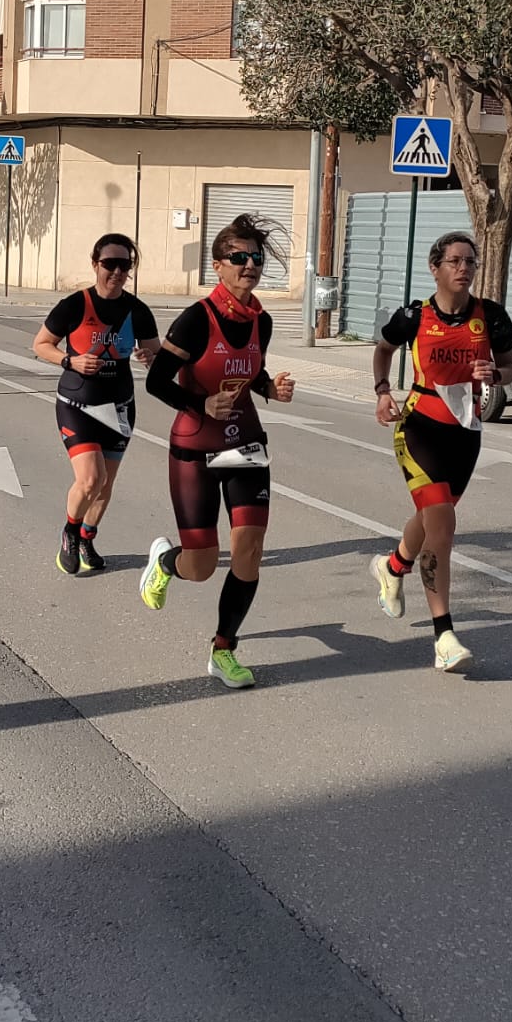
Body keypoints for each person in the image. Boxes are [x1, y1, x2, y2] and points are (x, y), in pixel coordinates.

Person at [138, 214, 296, 690]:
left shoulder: (260, 322)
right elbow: (155, 380)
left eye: (256, 258)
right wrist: (200, 403)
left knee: (249, 549)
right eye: (239, 258)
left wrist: (271, 387)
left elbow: (251, 376)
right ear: (218, 266)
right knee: (202, 566)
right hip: (195, 447)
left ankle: (224, 648)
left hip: (245, 443)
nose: (250, 265)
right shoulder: (195, 319)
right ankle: (166, 562)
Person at [369, 232, 512, 673]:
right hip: (419, 427)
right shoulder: (415, 315)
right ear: (435, 268)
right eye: (454, 261)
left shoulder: (488, 316)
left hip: (465, 431)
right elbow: (382, 350)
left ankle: (392, 567)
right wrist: (381, 392)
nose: (464, 268)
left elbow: (509, 369)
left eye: (470, 261)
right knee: (443, 527)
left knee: (433, 517)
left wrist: (495, 372)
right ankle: (444, 636)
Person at [32, 234, 159, 576]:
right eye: (110, 264)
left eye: (125, 265)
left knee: (105, 485)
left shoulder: (137, 310)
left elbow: (155, 352)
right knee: (91, 479)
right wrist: (69, 361)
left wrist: (149, 357)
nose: (117, 271)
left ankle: (87, 537)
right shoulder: (74, 305)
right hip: (77, 402)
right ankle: (70, 533)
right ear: (95, 264)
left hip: (119, 406)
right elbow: (41, 344)